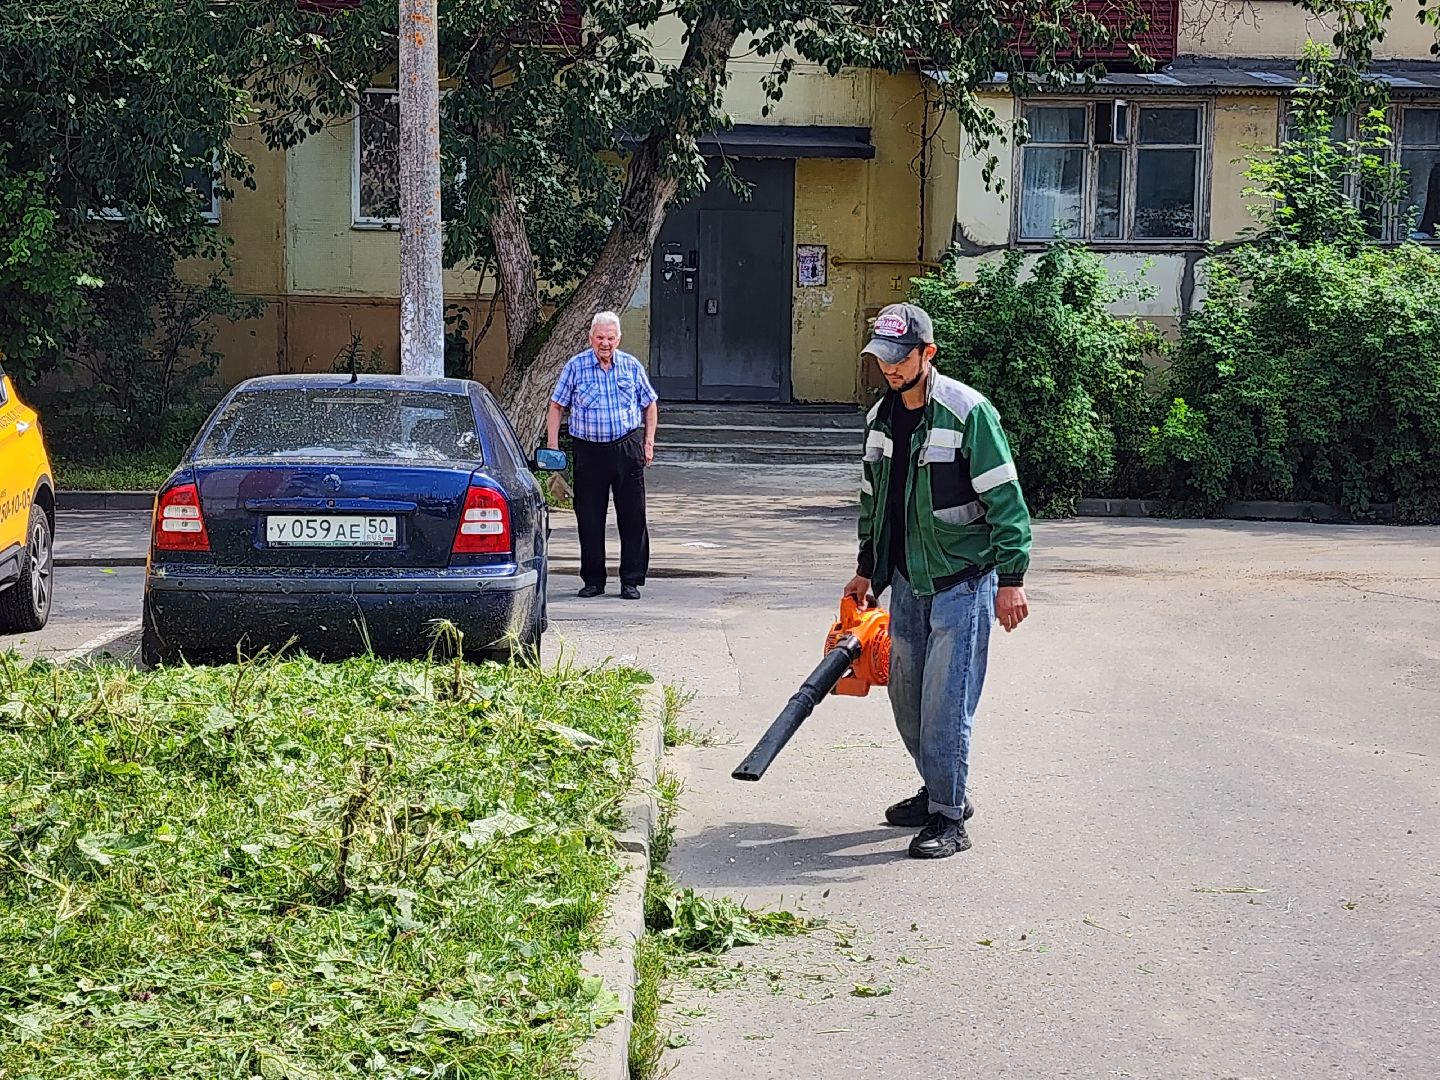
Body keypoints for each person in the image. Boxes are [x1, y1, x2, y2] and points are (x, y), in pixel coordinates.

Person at [843, 303, 1032, 860]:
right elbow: (873, 504)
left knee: (945, 702)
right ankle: (939, 789)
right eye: (883, 359)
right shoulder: (879, 420)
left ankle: (950, 815)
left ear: (928, 354)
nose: (891, 369)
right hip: (906, 580)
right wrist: (866, 572)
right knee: (907, 699)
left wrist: (1012, 579)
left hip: (962, 580)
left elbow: (1006, 499)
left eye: (901, 359)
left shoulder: (968, 413)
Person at [548, 311, 659, 601]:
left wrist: (648, 442)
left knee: (633, 517)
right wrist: (553, 449)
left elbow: (650, 404)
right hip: (589, 450)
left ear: (618, 339)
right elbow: (556, 406)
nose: (605, 343)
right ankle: (593, 580)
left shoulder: (631, 366)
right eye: (600, 338)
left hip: (626, 447)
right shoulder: (576, 366)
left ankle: (631, 580)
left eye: (610, 338)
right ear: (590, 338)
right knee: (589, 517)